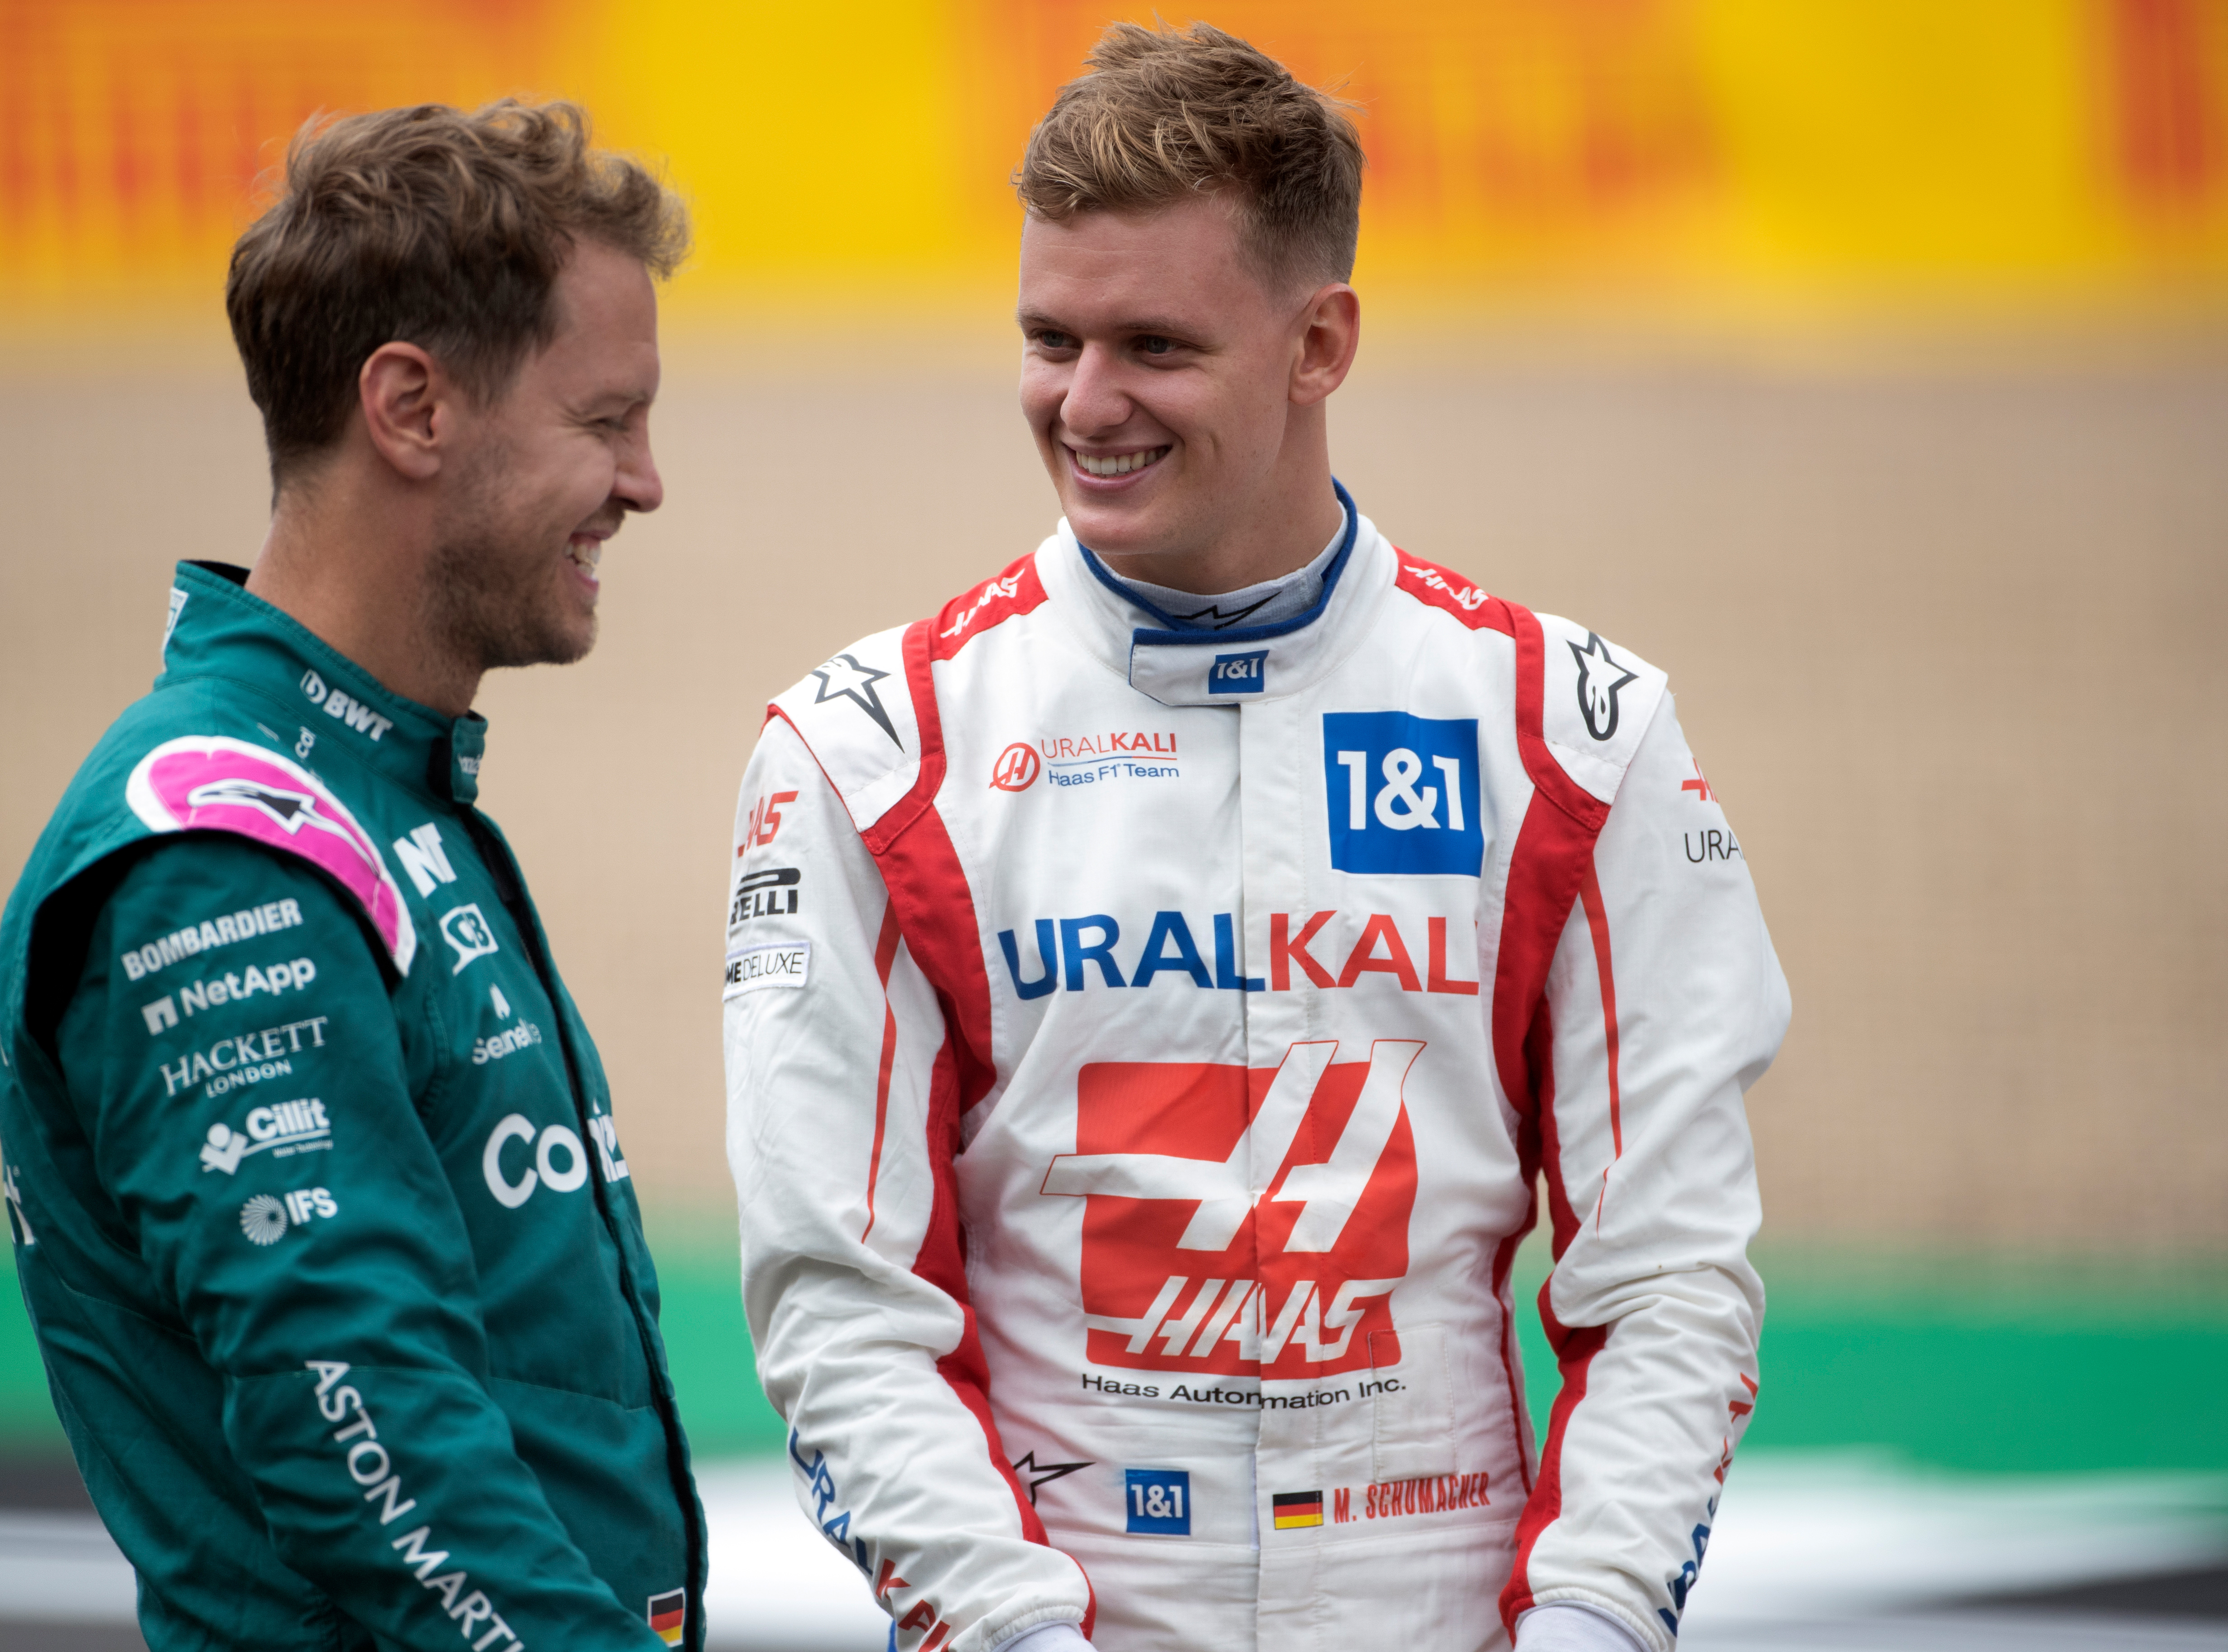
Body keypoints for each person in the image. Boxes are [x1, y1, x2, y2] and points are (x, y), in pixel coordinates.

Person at [722, 24, 1785, 1652]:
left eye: (1154, 344)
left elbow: (1668, 1278)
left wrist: (1589, 1623)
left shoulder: (1572, 732)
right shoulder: (871, 754)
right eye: (1048, 338)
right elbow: (843, 1308)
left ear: (1321, 344)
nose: (1085, 405)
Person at [0, 101, 703, 1652]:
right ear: (412, 409)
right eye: (605, 421)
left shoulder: (372, 789)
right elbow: (363, 1435)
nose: (645, 484)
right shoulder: (216, 844)